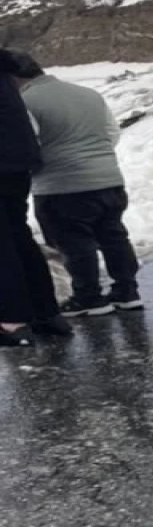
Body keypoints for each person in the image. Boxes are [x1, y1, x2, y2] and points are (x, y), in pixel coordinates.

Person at [9, 52, 143, 317]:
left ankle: (89, 297)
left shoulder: (24, 102)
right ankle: (127, 291)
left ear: (14, 77)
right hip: (109, 179)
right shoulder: (88, 94)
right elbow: (111, 134)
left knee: (74, 243)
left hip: (61, 185)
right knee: (114, 236)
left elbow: (28, 143)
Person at [0, 51, 73, 345]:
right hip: (17, 163)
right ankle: (47, 314)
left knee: (4, 242)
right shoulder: (4, 72)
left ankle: (12, 321)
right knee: (18, 236)